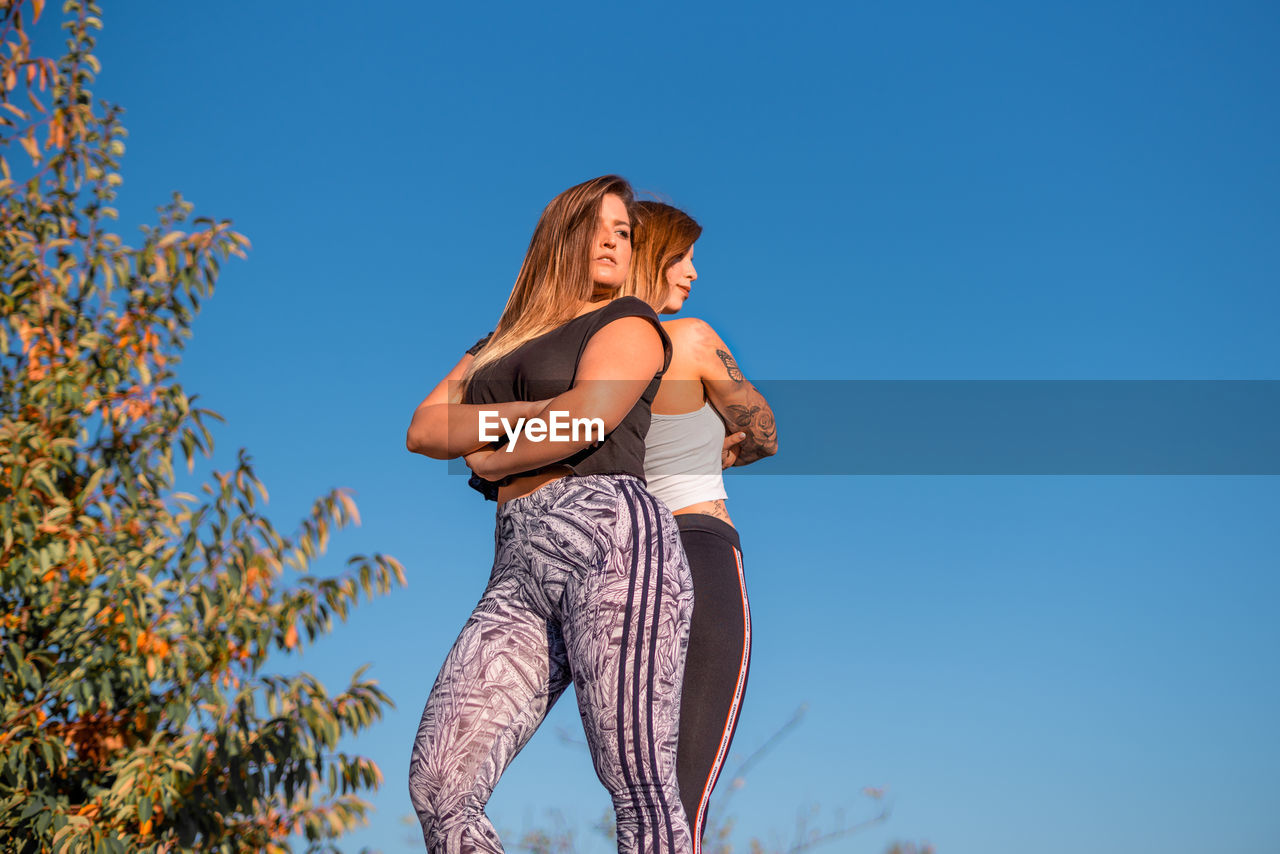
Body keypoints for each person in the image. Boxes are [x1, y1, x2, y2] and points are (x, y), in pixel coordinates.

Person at [405, 176, 694, 854]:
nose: (613, 241)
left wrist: (488, 451)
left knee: (638, 777)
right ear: (560, 235)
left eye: (625, 233)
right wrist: (535, 418)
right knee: (440, 783)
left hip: (611, 536)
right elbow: (423, 430)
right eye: (598, 225)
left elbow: (588, 420)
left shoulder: (628, 323)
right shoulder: (500, 340)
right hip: (515, 567)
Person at [625, 201, 778, 852]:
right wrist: (727, 445)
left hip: (619, 566)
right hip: (695, 547)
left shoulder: (577, 360)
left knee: (639, 796)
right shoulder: (690, 339)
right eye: (680, 257)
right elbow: (767, 432)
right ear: (647, 257)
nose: (691, 272)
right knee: (681, 799)